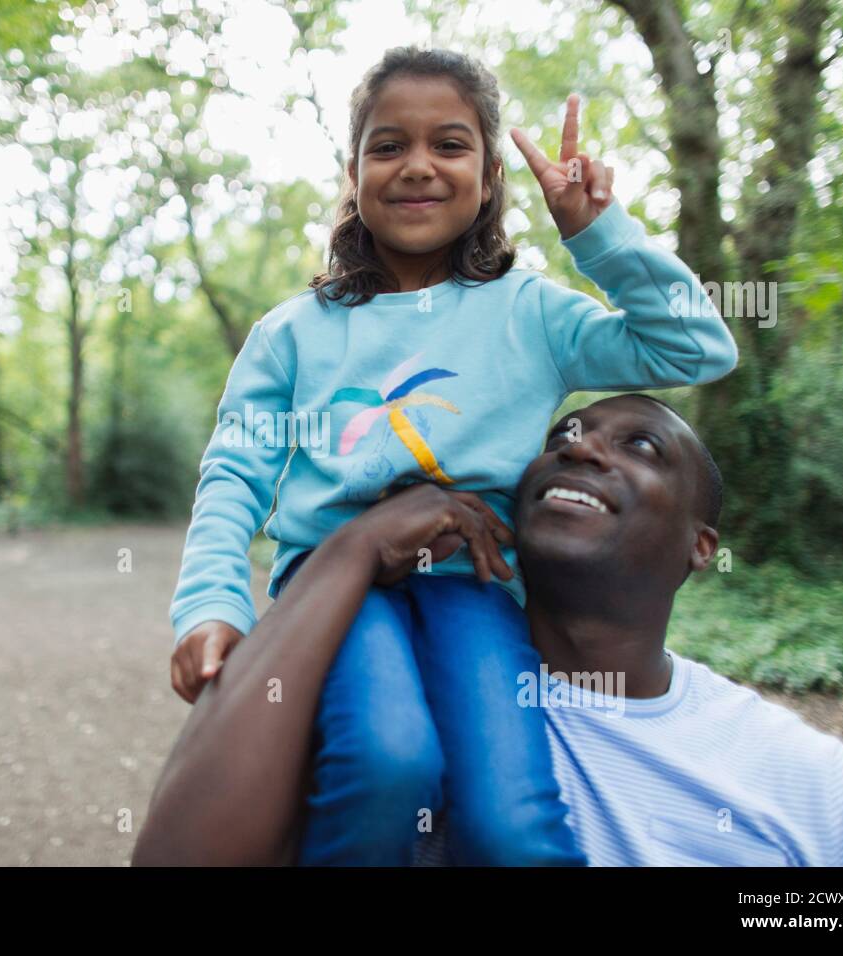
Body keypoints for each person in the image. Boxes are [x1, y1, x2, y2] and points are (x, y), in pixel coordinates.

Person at [167, 46, 739, 865]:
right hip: (336, 583)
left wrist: (597, 234)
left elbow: (693, 348)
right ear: (355, 171)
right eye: (389, 145)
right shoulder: (292, 333)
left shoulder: (532, 312)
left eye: (451, 144)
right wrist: (209, 604)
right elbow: (234, 477)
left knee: (510, 819)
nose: (418, 167)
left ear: (490, 175)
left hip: (477, 587)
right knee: (387, 762)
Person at [135, 394, 843, 867]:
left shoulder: (803, 774)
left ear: (699, 547)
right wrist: (351, 547)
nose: (579, 445)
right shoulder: (385, 695)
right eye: (563, 438)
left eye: (640, 447)